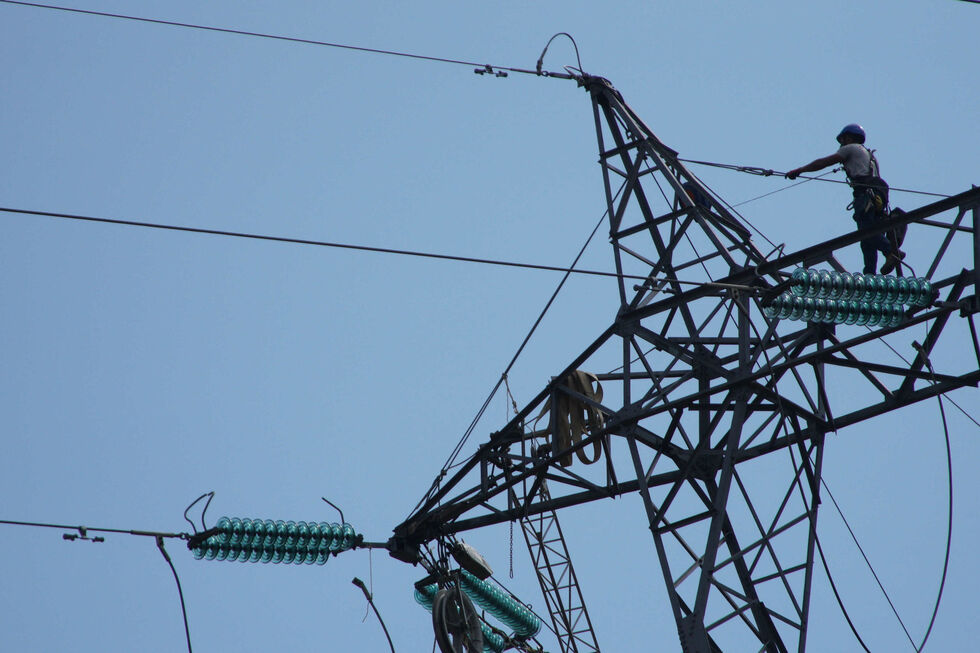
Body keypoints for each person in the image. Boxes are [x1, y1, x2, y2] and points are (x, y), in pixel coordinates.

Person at [786, 124, 905, 274]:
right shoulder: (869, 155)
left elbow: (823, 162)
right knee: (869, 235)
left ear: (849, 137)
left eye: (842, 140)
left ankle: (891, 252)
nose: (841, 144)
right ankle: (870, 274)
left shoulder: (851, 148)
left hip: (866, 193)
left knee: (866, 231)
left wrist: (799, 170)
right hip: (878, 194)